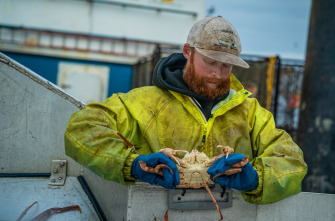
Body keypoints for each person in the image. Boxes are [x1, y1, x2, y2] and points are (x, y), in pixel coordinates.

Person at [64, 15, 307, 204]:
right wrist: (131, 164)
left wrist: (258, 178)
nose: (217, 73)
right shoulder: (142, 102)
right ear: (188, 52)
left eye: (226, 66)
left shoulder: (251, 113)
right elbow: (82, 129)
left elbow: (292, 162)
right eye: (210, 61)